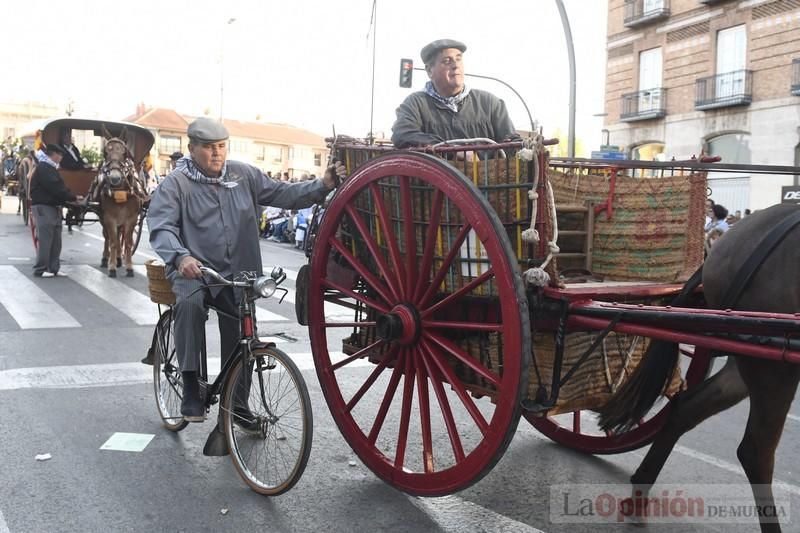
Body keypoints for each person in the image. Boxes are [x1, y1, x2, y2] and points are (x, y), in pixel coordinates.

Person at [147, 117, 345, 421]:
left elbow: (283, 194)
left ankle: (238, 404)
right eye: (209, 148)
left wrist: (323, 184)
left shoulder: (244, 174)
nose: (217, 154)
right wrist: (180, 257)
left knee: (243, 332)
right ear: (192, 148)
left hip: (239, 273)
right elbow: (161, 227)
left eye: (222, 147)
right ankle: (189, 386)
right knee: (190, 305)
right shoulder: (176, 184)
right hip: (196, 272)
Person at [391, 38, 519, 148]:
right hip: (435, 177)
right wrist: (451, 150)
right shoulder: (415, 104)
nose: (456, 66)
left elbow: (512, 142)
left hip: (485, 176)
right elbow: (401, 134)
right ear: (430, 70)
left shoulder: (490, 104)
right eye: (447, 61)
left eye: (458, 59)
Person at [29, 144, 83, 277]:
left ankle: (53, 267)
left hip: (53, 207)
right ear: (54, 155)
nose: (61, 158)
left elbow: (57, 188)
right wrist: (72, 197)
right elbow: (55, 187)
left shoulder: (48, 167)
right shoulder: (45, 168)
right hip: (44, 207)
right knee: (46, 240)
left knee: (56, 240)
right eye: (61, 155)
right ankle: (41, 268)